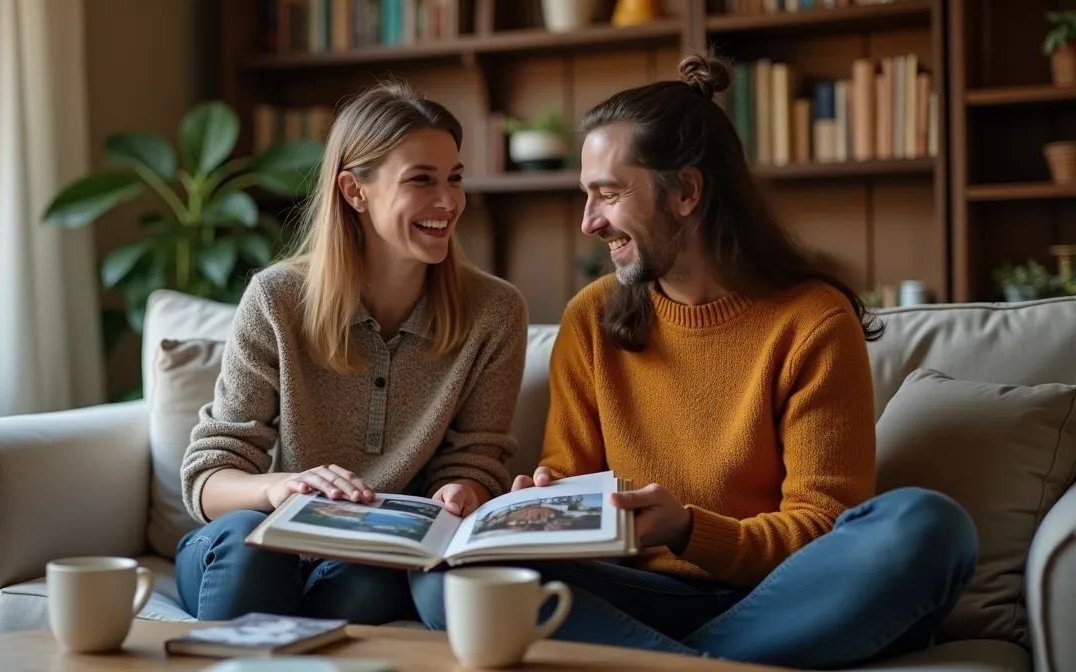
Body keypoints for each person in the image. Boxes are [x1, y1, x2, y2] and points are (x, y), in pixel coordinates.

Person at [409, 52, 978, 669]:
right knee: (445, 576)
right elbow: (571, 480)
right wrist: (543, 505)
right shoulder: (592, 318)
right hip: (635, 593)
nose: (589, 222)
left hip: (781, 594)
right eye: (586, 196)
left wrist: (687, 529)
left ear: (686, 191)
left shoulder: (812, 320)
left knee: (927, 526)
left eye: (608, 194)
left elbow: (822, 527)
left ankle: (677, 661)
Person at [175, 80, 529, 626]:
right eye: (421, 180)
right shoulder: (276, 299)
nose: (448, 201)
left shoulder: (495, 313)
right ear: (353, 190)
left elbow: (475, 459)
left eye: (454, 179)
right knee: (247, 542)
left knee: (375, 577)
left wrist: (464, 489)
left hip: (372, 557)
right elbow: (210, 476)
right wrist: (281, 488)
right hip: (257, 545)